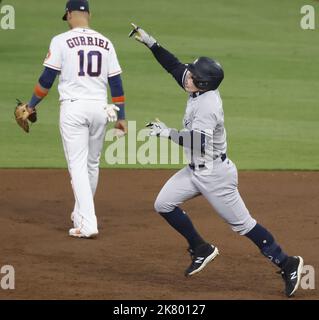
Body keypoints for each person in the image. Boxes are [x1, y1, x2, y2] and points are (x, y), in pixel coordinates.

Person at [130, 23, 304, 297]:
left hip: (215, 175)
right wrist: (151, 43)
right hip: (195, 170)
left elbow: (197, 141)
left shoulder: (208, 106)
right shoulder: (197, 87)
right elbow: (174, 67)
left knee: (243, 225)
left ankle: (287, 263)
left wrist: (167, 133)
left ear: (204, 83)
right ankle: (201, 247)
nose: (187, 78)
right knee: (163, 203)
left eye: (193, 77)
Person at [24, 0, 127, 238]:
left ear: (69, 15)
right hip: (102, 109)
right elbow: (116, 82)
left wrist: (31, 105)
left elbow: (47, 79)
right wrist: (121, 116)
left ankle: (89, 223)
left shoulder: (60, 40)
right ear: (89, 15)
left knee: (78, 167)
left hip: (74, 110)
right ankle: (81, 213)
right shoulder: (106, 42)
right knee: (92, 164)